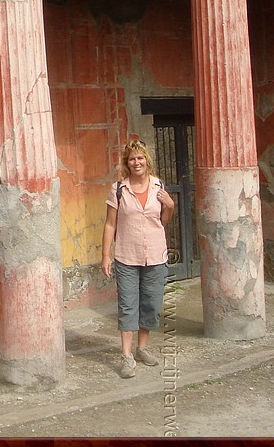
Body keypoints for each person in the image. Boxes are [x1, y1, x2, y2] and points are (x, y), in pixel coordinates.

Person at [101, 139, 175, 378]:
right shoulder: (119, 189)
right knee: (127, 306)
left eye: (140, 158)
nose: (137, 162)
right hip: (126, 256)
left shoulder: (158, 186)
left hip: (155, 255)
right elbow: (110, 224)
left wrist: (170, 206)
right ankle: (126, 356)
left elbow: (162, 222)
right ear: (127, 163)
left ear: (147, 160)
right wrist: (105, 256)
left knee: (151, 304)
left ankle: (142, 349)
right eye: (132, 159)